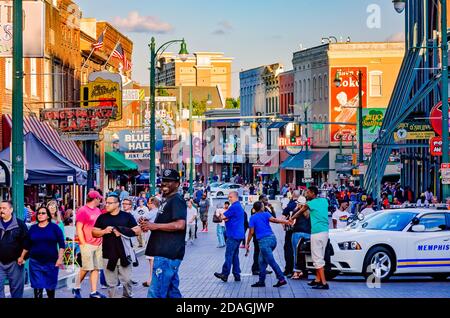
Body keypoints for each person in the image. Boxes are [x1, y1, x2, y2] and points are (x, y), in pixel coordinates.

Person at [139, 169, 187, 298]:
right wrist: (149, 225)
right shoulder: (166, 200)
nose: (165, 184)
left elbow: (180, 224)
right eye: (163, 181)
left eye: (169, 181)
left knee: (156, 293)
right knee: (172, 293)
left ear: (177, 183)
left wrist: (154, 226)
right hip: (166, 254)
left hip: (167, 254)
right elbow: (163, 225)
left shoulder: (176, 200)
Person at [92, 194, 141, 298]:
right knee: (111, 283)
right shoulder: (102, 217)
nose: (106, 205)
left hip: (124, 253)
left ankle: (127, 295)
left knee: (127, 280)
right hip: (108, 255)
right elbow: (94, 232)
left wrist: (121, 230)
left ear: (117, 204)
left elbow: (137, 231)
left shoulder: (127, 216)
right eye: (106, 202)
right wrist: (104, 231)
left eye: (109, 203)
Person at [20, 206, 65, 298]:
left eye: (43, 213)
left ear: (48, 216)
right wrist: (22, 257)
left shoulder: (54, 228)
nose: (40, 215)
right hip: (35, 262)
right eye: (39, 213)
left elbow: (61, 244)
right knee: (37, 287)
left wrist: (60, 258)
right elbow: (27, 245)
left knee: (50, 287)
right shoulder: (33, 228)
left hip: (51, 262)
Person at [290, 186, 330, 290]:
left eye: (308, 192)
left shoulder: (310, 204)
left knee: (317, 258)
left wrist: (291, 218)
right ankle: (317, 279)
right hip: (325, 232)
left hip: (316, 233)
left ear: (312, 193)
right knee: (320, 256)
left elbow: (300, 212)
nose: (306, 194)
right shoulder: (324, 201)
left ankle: (324, 283)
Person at [246, 201, 289, 288]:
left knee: (271, 261)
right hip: (272, 239)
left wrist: (247, 243)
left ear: (254, 209)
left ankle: (281, 279)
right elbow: (275, 220)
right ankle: (261, 281)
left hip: (263, 242)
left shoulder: (253, 217)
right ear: (262, 208)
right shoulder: (266, 214)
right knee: (261, 261)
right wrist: (285, 221)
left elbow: (251, 232)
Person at [72, 191, 106, 299]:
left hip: (98, 242)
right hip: (87, 243)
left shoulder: (97, 210)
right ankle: (76, 286)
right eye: (99, 198)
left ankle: (93, 292)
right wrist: (83, 242)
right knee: (86, 267)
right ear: (95, 198)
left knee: (96, 268)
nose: (100, 200)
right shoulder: (83, 210)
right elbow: (79, 228)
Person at [214, 191, 245, 283]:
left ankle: (225, 273)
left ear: (236, 197)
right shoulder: (239, 206)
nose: (229, 199)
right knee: (235, 255)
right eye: (228, 197)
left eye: (230, 197)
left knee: (229, 254)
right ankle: (236, 274)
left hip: (233, 234)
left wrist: (219, 214)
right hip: (238, 234)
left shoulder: (234, 207)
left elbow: (222, 217)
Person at [0, 201, 29, 298]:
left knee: (16, 290)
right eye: (0, 208)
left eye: (4, 208)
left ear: (11, 210)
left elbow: (27, 242)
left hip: (15, 263)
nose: (1, 210)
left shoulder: (20, 225)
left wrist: (23, 257)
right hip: (0, 263)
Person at [290, 195, 311, 280]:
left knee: (296, 253)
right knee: (306, 253)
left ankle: (296, 272)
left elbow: (292, 221)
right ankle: (304, 271)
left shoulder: (297, 211)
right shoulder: (309, 212)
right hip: (308, 234)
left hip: (297, 233)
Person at [141, 197, 160, 288]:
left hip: (152, 236)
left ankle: (151, 280)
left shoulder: (152, 212)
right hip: (156, 236)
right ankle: (152, 279)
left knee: (151, 259)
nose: (147, 205)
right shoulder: (159, 212)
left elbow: (141, 218)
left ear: (153, 204)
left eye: (148, 203)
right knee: (153, 259)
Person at [281, 191, 299, 277]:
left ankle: (288, 269)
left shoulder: (289, 205)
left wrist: (284, 227)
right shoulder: (302, 205)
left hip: (290, 231)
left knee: (288, 249)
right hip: (300, 230)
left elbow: (283, 218)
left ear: (292, 195)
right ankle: (299, 269)